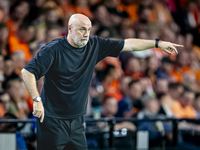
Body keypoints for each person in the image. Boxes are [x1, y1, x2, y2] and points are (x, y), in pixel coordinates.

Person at [21, 14, 183, 150]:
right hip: (52, 121)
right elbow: (27, 72)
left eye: (89, 30)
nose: (86, 34)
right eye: (82, 29)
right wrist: (36, 99)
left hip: (77, 121)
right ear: (70, 29)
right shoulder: (53, 49)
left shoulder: (94, 44)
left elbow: (129, 44)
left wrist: (157, 43)